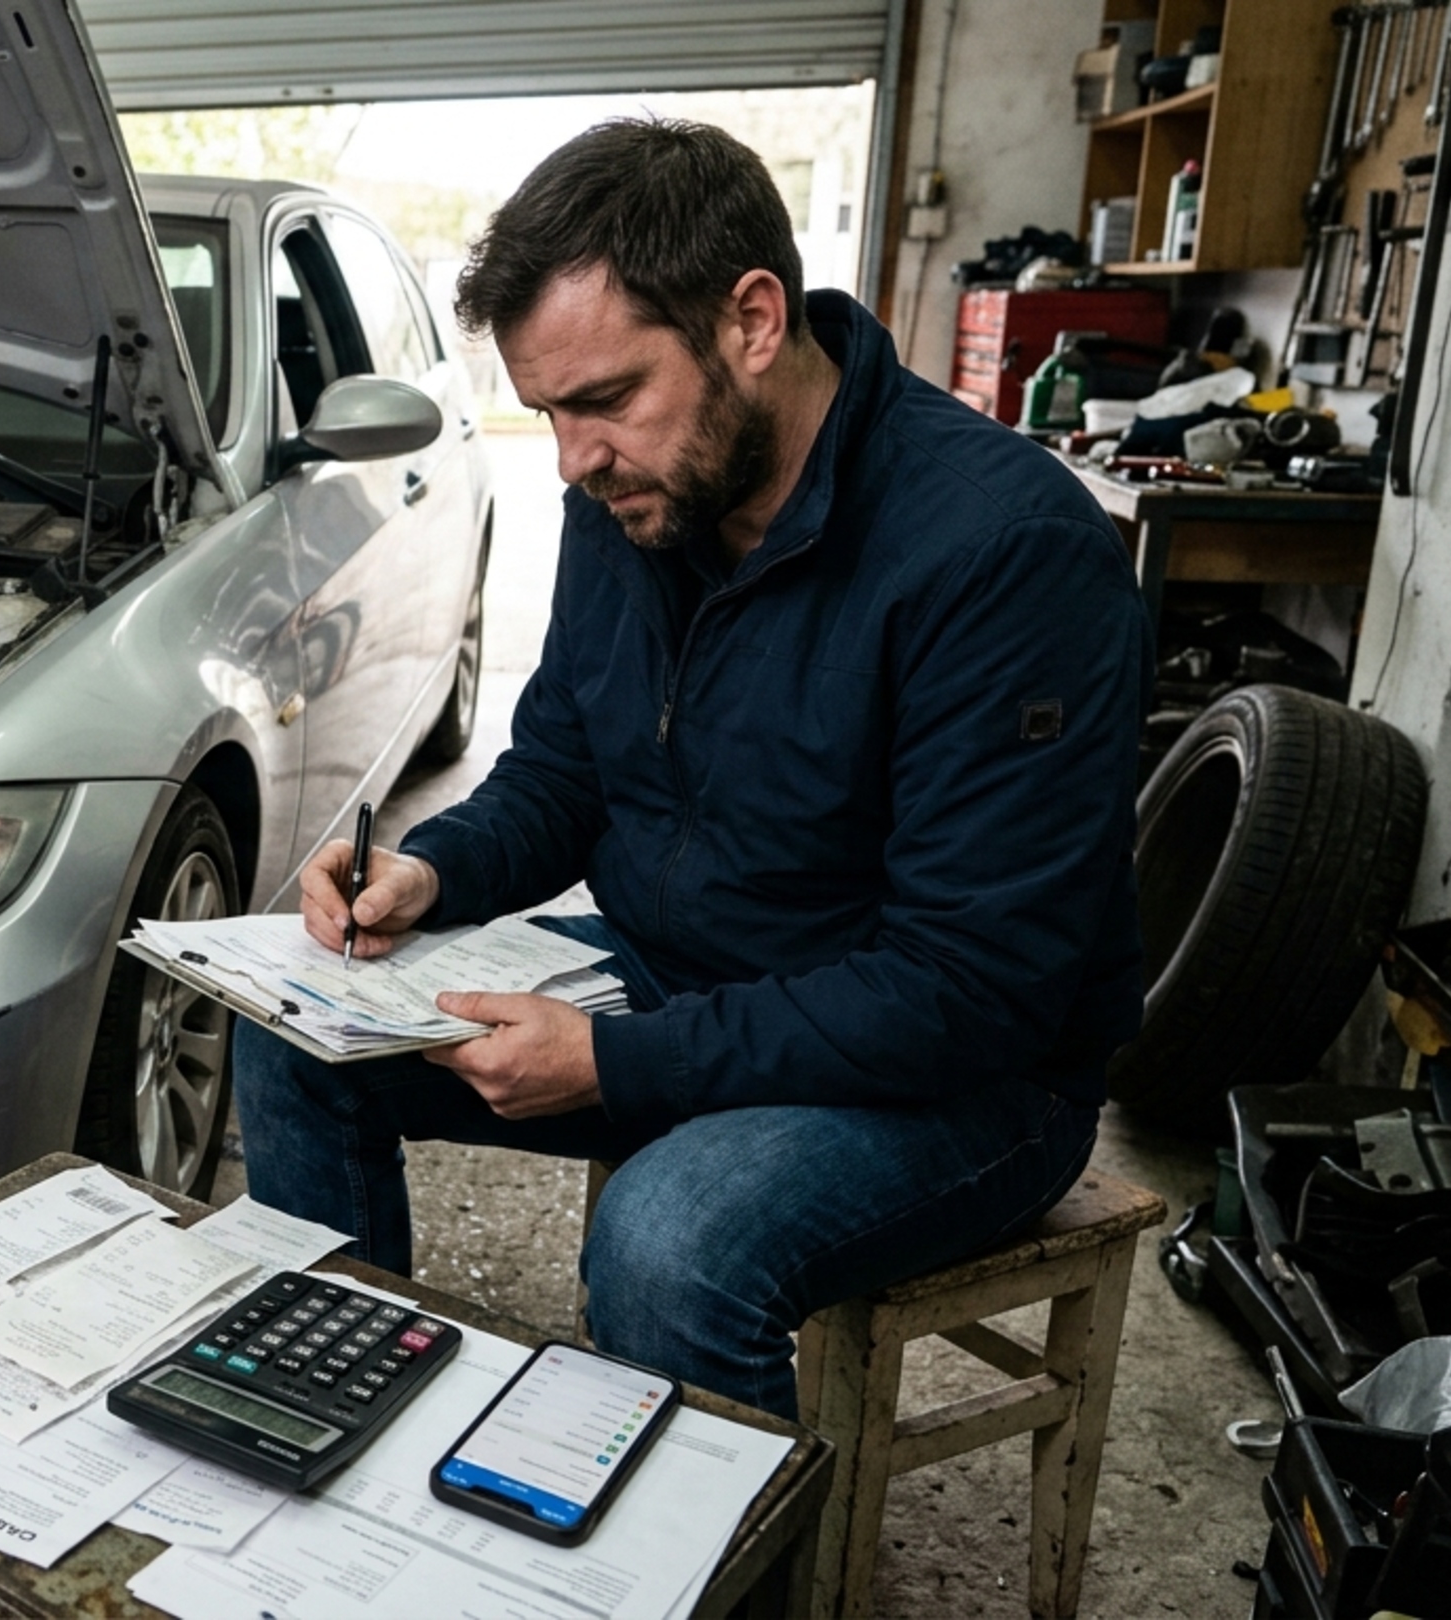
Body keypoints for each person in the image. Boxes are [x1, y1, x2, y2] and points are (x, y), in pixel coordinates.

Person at [232, 118, 1147, 1421]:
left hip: (966, 1076)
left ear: (754, 321)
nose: (572, 459)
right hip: (690, 972)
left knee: (671, 1240)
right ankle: (340, 1445)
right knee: (294, 1035)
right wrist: (428, 874)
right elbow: (563, 770)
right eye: (547, 413)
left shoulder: (1002, 556)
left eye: (604, 400)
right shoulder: (637, 497)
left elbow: (972, 989)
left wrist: (622, 1064)